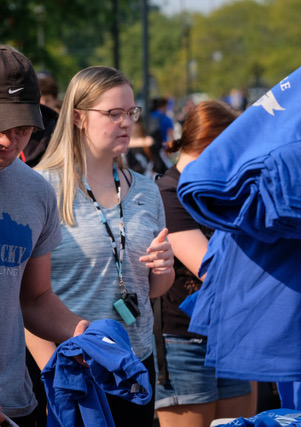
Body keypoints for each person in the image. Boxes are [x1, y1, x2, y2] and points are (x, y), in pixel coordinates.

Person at [28, 65, 174, 426]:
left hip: (134, 365)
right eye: (113, 113)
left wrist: (165, 269)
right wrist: (53, 373)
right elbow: (26, 297)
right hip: (73, 370)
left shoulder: (145, 189)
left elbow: (150, 290)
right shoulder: (41, 188)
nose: (126, 122)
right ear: (78, 117)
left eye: (131, 112)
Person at [0, 45, 89, 427]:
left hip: (18, 402)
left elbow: (34, 298)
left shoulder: (36, 192)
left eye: (21, 129)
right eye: (0, 125)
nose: (9, 141)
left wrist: (81, 333)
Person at [155, 100, 253, 426]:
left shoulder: (221, 188)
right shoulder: (169, 192)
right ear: (211, 145)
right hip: (184, 342)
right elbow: (211, 268)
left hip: (231, 334)